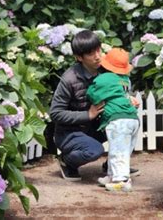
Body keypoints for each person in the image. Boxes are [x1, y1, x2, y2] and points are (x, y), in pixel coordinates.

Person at [50, 30, 139, 181]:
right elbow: (55, 113)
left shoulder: (106, 68)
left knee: (128, 122)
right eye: (91, 53)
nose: (97, 56)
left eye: (98, 50)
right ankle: (67, 161)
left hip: (96, 126)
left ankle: (115, 165)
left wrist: (127, 98)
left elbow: (119, 87)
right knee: (94, 151)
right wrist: (88, 115)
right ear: (79, 57)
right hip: (70, 133)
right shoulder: (69, 79)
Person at [86, 47, 140, 192]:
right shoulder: (126, 80)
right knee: (121, 150)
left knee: (117, 151)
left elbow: (92, 94)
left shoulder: (103, 79)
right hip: (133, 119)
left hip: (118, 120)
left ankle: (121, 181)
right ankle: (111, 175)